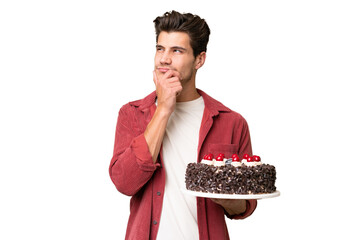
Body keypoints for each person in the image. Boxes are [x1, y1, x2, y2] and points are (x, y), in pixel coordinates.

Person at [109, 10, 257, 240]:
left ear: (199, 59)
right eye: (160, 48)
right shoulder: (131, 114)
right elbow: (124, 183)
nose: (164, 59)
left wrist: (229, 201)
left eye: (176, 50)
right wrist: (164, 109)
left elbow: (246, 204)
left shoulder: (232, 122)